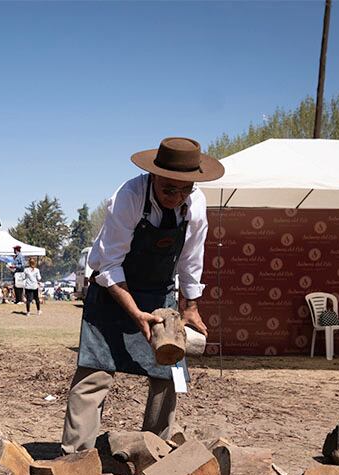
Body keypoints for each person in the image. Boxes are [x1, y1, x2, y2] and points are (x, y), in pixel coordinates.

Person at [61, 137, 222, 450]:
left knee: (170, 370)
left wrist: (191, 307)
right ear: (154, 177)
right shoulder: (129, 196)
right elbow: (109, 265)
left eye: (185, 189)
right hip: (112, 289)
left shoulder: (196, 204)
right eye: (168, 190)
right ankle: (75, 456)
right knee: (94, 373)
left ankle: (154, 449)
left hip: (160, 293)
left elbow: (191, 259)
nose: (177, 197)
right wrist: (135, 313)